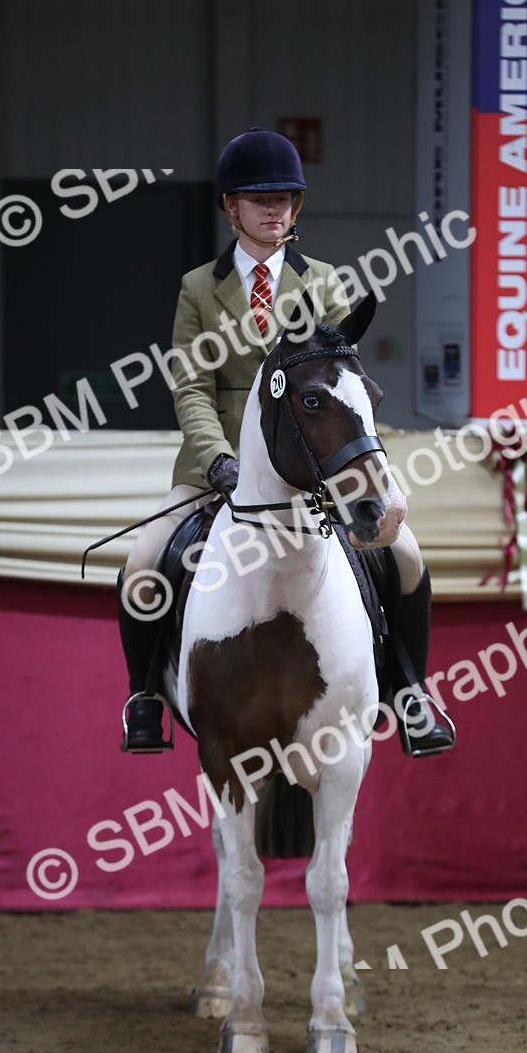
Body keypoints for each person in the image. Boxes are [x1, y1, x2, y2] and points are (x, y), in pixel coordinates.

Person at [117, 126, 455, 757]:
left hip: (308, 466)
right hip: (217, 464)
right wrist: (219, 459)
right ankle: (145, 697)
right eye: (260, 199)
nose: (275, 210)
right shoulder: (198, 288)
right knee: (143, 562)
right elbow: (191, 387)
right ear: (232, 207)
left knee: (405, 555)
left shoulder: (322, 281)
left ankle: (412, 693)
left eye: (285, 199)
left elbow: (340, 382)